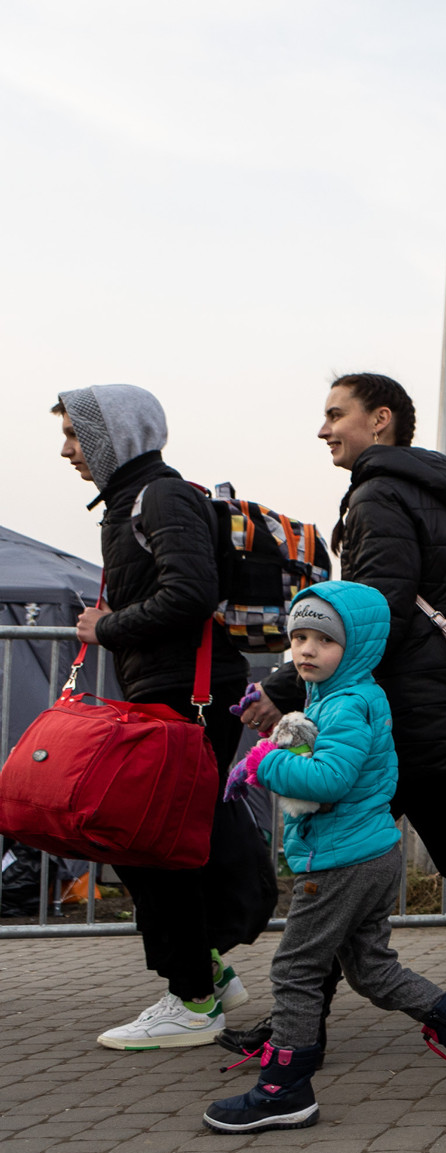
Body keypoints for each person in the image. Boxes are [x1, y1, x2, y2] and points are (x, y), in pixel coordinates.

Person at [234, 374, 446, 1065]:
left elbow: (369, 612)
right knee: (434, 866)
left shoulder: (380, 496)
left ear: (378, 420)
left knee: (345, 860)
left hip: (405, 720)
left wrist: (288, 685)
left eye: (335, 414)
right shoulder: (430, 495)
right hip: (436, 709)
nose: (324, 429)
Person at [205, 585, 446, 1131]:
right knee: (372, 970)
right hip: (364, 851)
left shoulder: (348, 703)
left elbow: (330, 780)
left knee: (296, 968)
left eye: (324, 640)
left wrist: (266, 764)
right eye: (299, 638)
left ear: (355, 648)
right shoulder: (335, 696)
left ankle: (285, 1086)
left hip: (340, 860)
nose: (306, 650)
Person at [53, 386, 268, 1051]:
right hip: (175, 690)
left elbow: (191, 593)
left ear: (113, 435)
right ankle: (203, 973)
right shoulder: (136, 500)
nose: (66, 452)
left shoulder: (161, 497)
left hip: (187, 694)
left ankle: (192, 1000)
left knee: (153, 843)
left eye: (75, 436)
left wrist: (108, 626)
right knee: (158, 840)